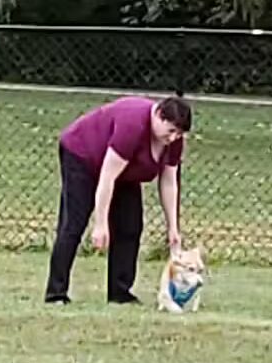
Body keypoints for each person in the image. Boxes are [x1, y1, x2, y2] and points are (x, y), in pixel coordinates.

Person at [44, 95, 192, 305]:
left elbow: (169, 182)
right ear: (158, 115)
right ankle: (56, 293)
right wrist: (101, 223)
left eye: (179, 133)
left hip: (125, 171)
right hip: (83, 155)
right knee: (73, 224)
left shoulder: (173, 142)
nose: (174, 138)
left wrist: (173, 228)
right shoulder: (132, 126)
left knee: (130, 226)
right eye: (171, 131)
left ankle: (120, 292)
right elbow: (108, 176)